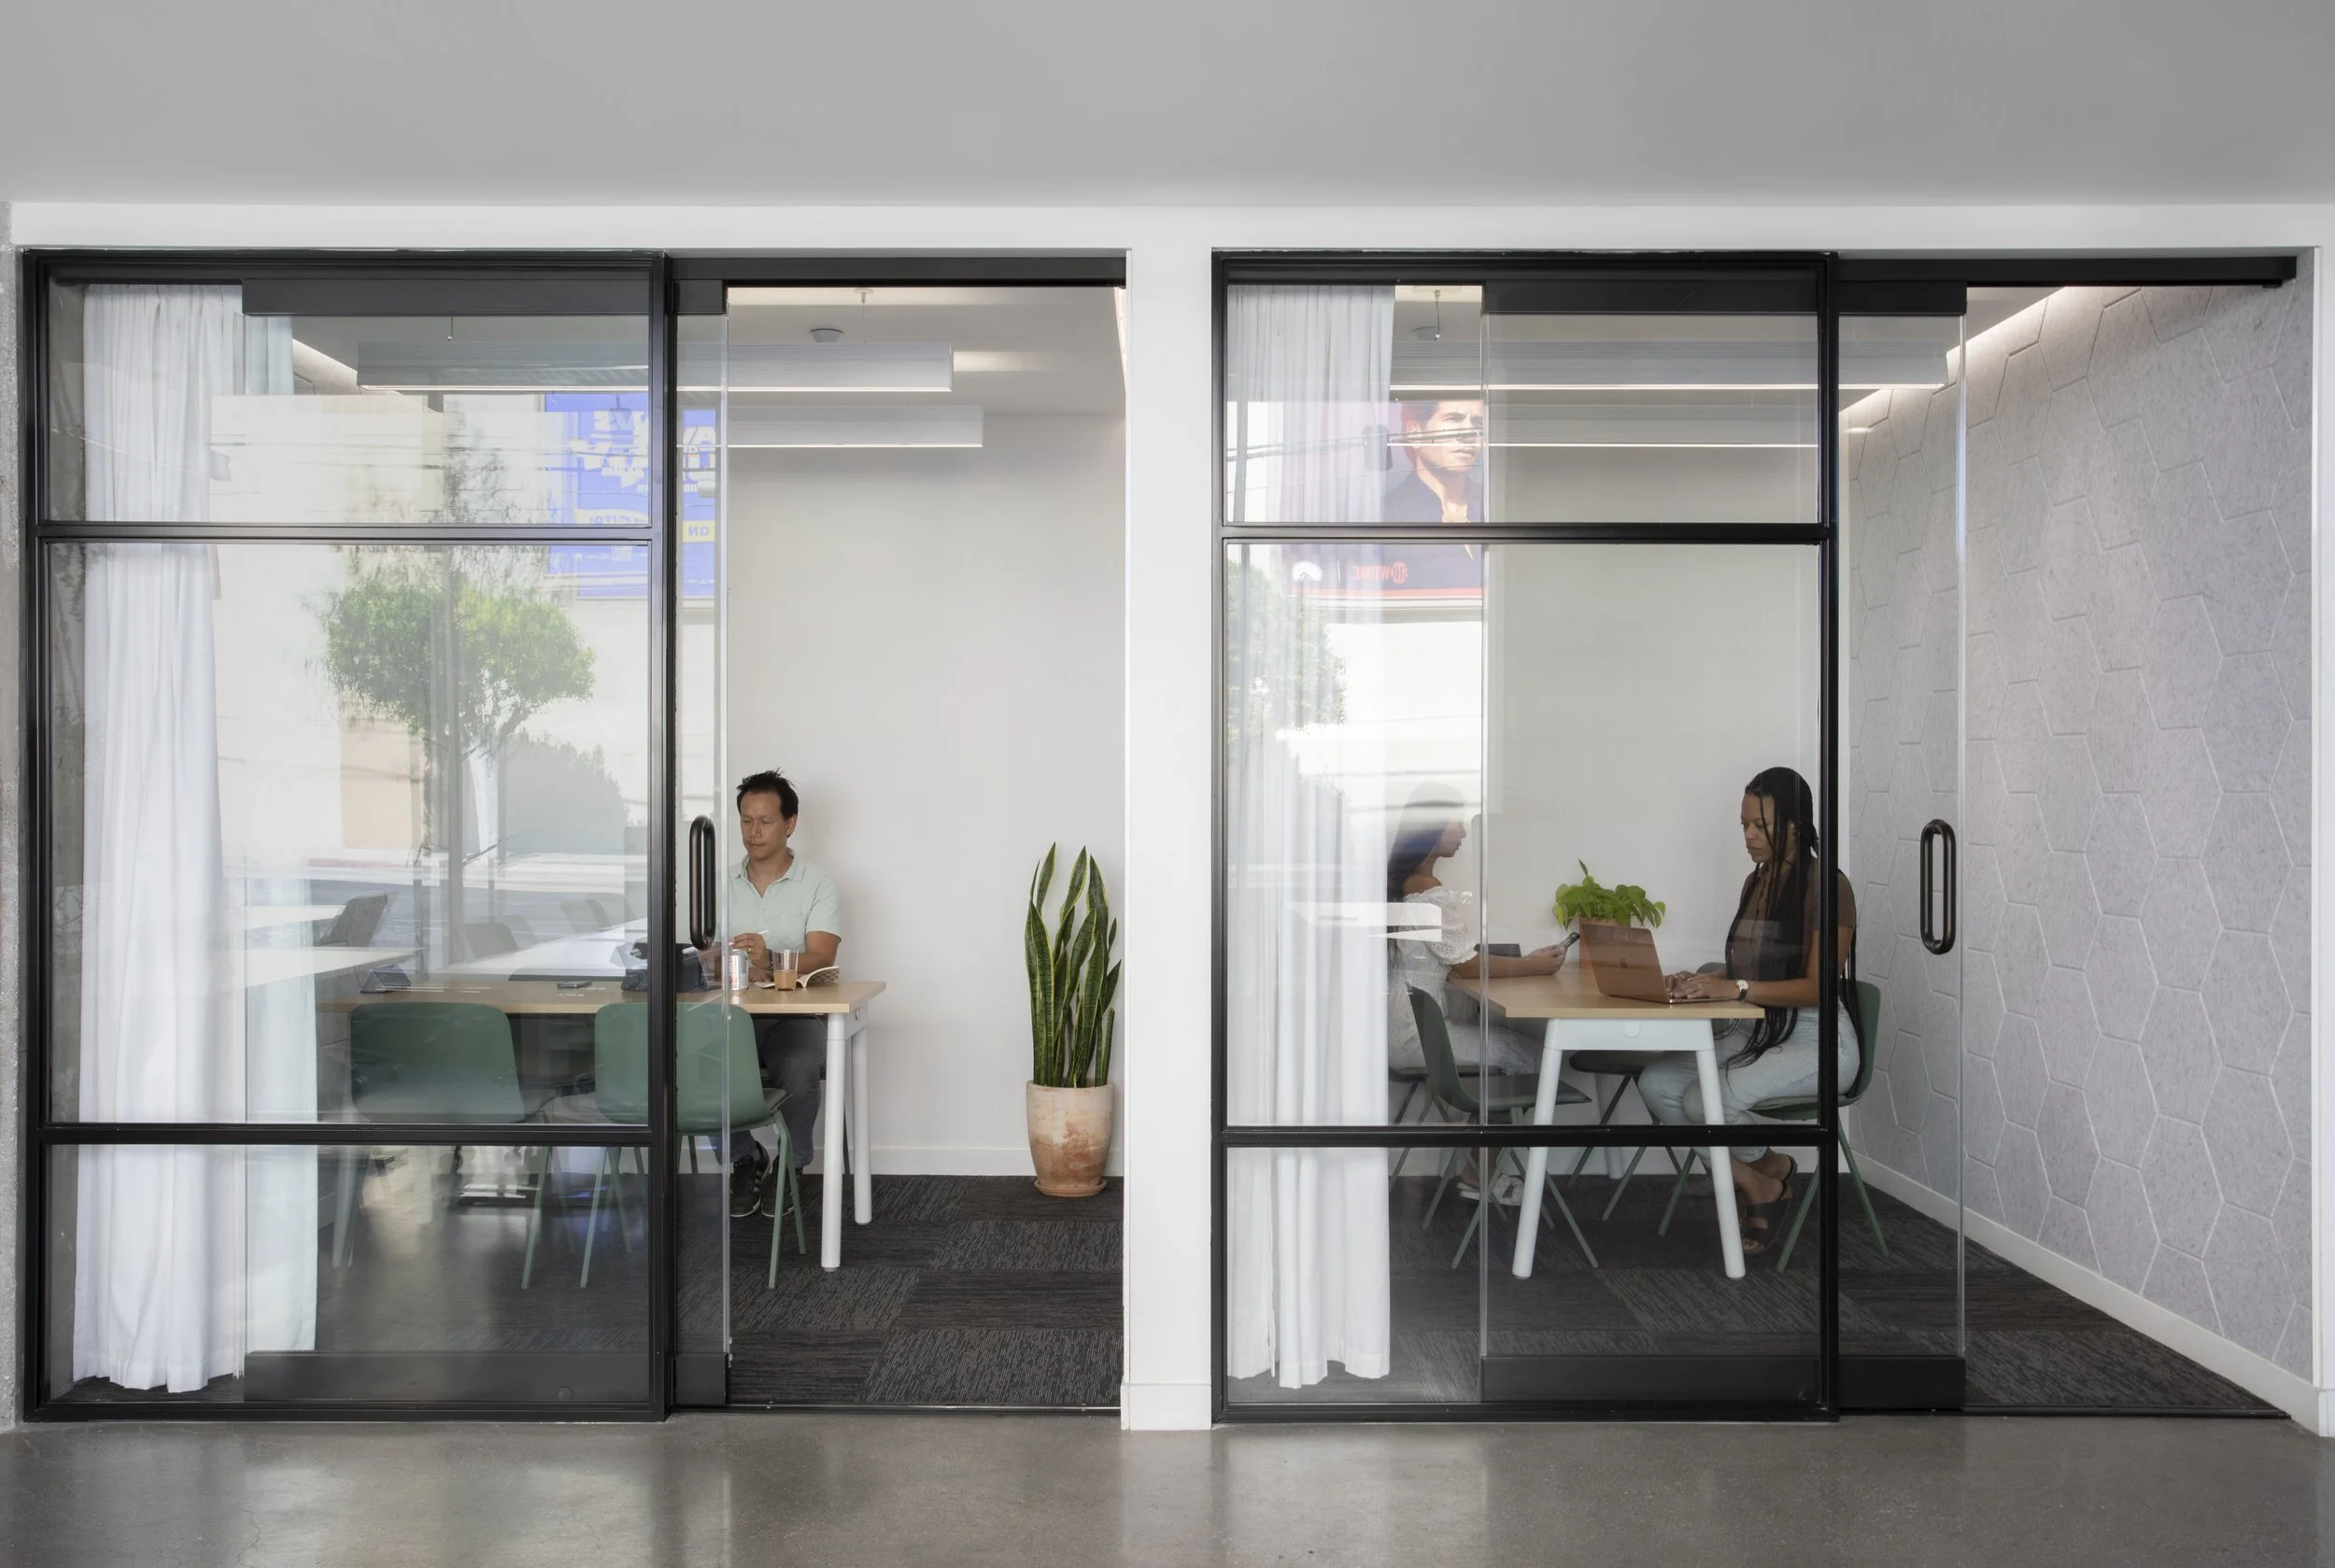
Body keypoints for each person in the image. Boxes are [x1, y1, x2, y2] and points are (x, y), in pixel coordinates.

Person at [1636, 766, 1863, 1255]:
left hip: (1816, 1036)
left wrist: (1734, 988)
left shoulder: (1828, 886)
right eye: (1743, 825)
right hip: (1760, 1028)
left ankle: (1766, 1176)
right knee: (1656, 1084)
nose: (1749, 836)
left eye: (1760, 825)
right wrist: (1700, 981)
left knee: (1703, 1102)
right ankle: (1761, 1175)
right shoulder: (1755, 883)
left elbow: (1817, 988)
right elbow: (1746, 970)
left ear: (1795, 827)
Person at [703, 770, 842, 1219]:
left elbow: (822, 955)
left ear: (790, 824)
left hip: (792, 1018)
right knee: (698, 1064)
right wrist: (711, 956)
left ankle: (794, 1163)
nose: (753, 832)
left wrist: (770, 958)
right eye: (746, 821)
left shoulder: (818, 882)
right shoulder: (718, 883)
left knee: (801, 1067)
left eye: (764, 821)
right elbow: (697, 948)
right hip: (729, 1016)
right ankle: (745, 1158)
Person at [1384, 788, 1567, 1082]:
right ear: (1432, 827)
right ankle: (1508, 1125)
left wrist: (1526, 961)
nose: (1464, 833)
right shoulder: (1428, 890)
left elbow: (1456, 956)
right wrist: (1536, 966)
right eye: (1456, 822)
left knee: (1515, 1039)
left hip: (1398, 1034)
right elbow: (1466, 965)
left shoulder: (1404, 883)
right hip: (1418, 1038)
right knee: (1532, 1052)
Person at [1381, 399, 1486, 524]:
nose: (1470, 436)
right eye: (1453, 419)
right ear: (1415, 432)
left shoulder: (1495, 505)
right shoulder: (1384, 515)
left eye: (1478, 423)